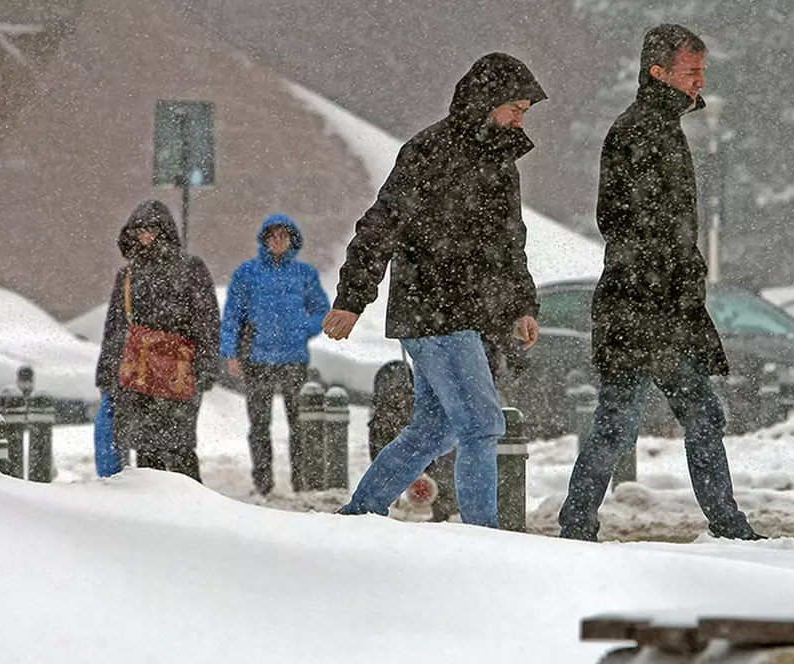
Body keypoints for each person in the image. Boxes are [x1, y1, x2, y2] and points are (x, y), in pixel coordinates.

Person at [323, 52, 546, 528]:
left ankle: (357, 515)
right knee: (482, 424)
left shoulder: (501, 163)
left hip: (464, 314)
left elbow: (510, 244)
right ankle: (485, 535)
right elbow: (380, 226)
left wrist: (521, 306)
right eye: (516, 108)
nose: (521, 119)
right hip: (433, 310)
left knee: (434, 429)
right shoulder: (430, 151)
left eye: (525, 111)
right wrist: (351, 298)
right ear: (488, 102)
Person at [558, 25, 761, 542]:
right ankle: (580, 524)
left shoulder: (658, 129)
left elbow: (645, 224)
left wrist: (677, 277)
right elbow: (626, 221)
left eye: (701, 71)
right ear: (658, 73)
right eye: (692, 71)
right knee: (629, 421)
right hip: (645, 306)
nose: (700, 81)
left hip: (655, 305)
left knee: (680, 416)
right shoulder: (640, 131)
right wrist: (670, 275)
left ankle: (724, 523)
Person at [95, 200, 220, 482]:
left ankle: (190, 510)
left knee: (180, 449)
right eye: (139, 230)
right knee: (146, 450)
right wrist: (107, 374)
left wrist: (206, 366)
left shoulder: (190, 268)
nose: (145, 236)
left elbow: (207, 320)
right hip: (140, 378)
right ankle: (153, 514)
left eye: (151, 229)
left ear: (164, 231)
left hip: (180, 373)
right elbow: (116, 327)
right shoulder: (127, 275)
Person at [220, 214, 331, 495]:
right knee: (259, 425)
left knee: (299, 425)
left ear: (292, 240)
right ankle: (263, 482)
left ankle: (300, 480)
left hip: (294, 358)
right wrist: (230, 352)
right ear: (264, 240)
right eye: (273, 236)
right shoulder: (247, 273)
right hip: (257, 358)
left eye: (284, 236)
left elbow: (321, 311)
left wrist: (303, 328)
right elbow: (232, 315)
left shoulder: (304, 274)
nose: (278, 241)